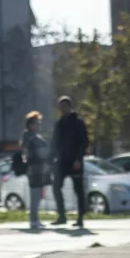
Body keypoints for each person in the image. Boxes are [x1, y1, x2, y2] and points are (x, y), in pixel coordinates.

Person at [50, 96, 89, 228]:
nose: (62, 109)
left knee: (78, 190)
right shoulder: (59, 124)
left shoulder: (78, 123)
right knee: (56, 187)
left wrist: (78, 159)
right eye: (60, 107)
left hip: (75, 161)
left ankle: (80, 218)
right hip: (61, 162)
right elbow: (54, 143)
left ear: (69, 107)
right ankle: (62, 215)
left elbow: (84, 142)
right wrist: (51, 159)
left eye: (64, 106)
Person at [22, 111, 49, 231]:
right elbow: (42, 153)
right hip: (35, 170)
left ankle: (35, 219)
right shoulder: (32, 138)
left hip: (34, 169)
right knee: (35, 196)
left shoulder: (27, 137)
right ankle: (33, 220)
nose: (39, 126)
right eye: (37, 123)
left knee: (37, 196)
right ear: (31, 125)